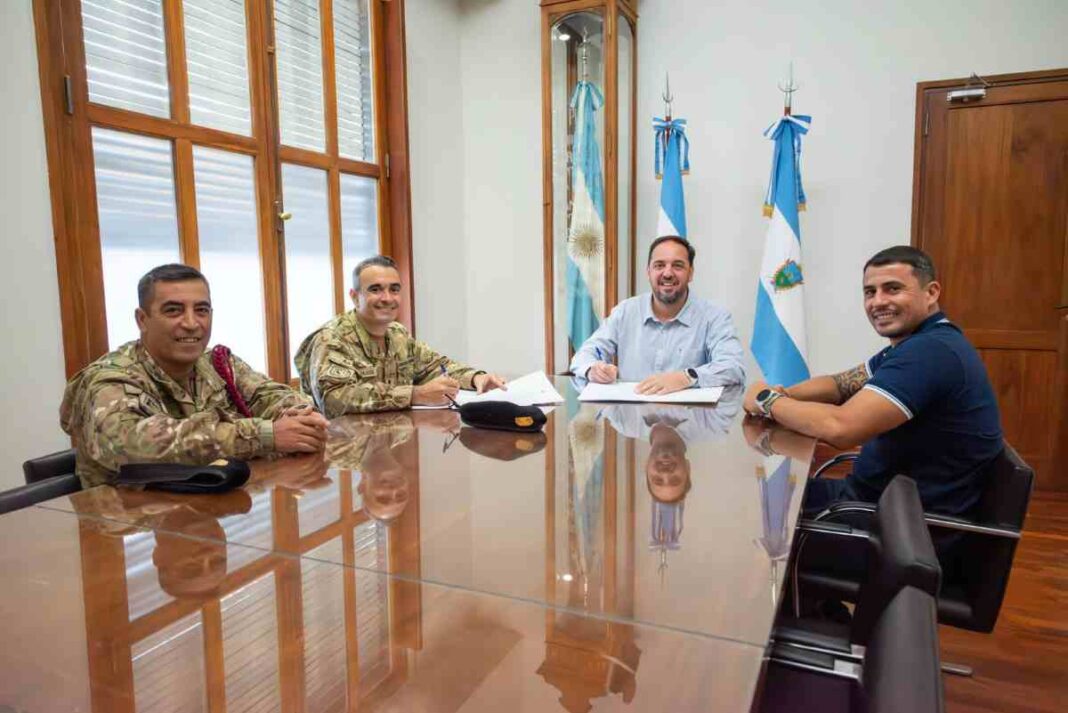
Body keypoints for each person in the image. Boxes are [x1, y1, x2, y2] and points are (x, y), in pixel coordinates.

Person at [743, 245, 1003, 516]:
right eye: (870, 292)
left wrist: (766, 400)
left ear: (931, 293)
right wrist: (784, 393)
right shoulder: (917, 343)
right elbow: (839, 384)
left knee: (751, 508)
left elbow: (841, 428)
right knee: (756, 493)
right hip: (878, 500)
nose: (877, 302)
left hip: (895, 527)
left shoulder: (929, 353)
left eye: (893, 289)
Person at [61, 264, 328, 489]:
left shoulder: (217, 363)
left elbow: (269, 394)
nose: (191, 323)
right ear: (142, 319)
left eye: (201, 310)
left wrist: (299, 416)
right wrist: (264, 435)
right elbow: (130, 445)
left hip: (211, 508)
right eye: (173, 310)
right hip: (126, 529)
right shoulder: (110, 379)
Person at [295, 255, 507, 416]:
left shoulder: (397, 334)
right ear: (354, 296)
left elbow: (435, 366)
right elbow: (334, 400)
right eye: (376, 289)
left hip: (393, 446)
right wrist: (415, 394)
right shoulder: (331, 339)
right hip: (346, 455)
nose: (387, 298)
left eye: (394, 289)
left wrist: (476, 377)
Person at [570, 236, 745, 395]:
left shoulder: (714, 317)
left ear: (690, 273)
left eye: (677, 265)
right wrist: (593, 369)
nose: (667, 273)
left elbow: (733, 367)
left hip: (689, 424)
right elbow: (585, 354)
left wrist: (686, 377)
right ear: (648, 272)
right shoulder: (626, 311)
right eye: (659, 265)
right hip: (633, 422)